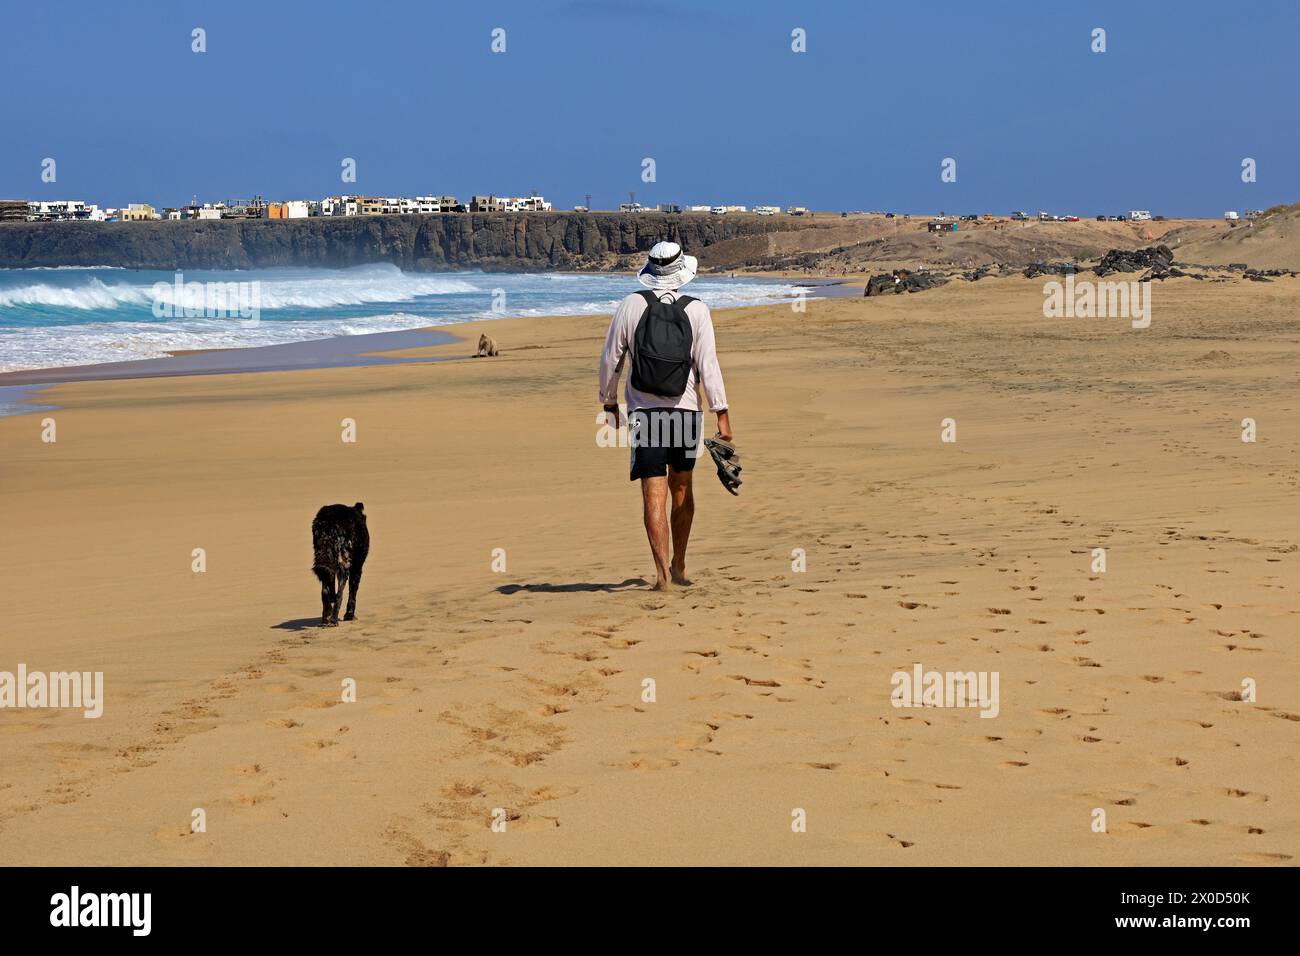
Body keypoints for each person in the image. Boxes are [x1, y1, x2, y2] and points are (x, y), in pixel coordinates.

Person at [598, 241, 731, 591]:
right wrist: (722, 412)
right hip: (685, 412)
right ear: (681, 272)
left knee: (653, 494)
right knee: (683, 489)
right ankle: (680, 566)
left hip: (645, 413)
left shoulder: (630, 305)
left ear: (650, 271)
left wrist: (609, 403)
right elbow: (708, 364)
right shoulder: (697, 310)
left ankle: (660, 576)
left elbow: (612, 360)